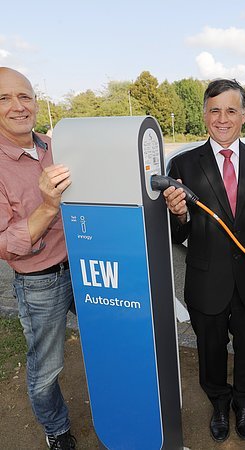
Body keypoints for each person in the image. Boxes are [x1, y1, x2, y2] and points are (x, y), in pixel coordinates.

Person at [163, 79, 245, 442]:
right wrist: (177, 216)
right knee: (210, 350)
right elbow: (176, 235)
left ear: (244, 116)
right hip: (207, 281)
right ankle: (219, 402)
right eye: (215, 110)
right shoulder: (184, 164)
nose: (223, 119)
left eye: (231, 110)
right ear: (205, 114)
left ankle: (244, 402)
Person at [0, 67, 76, 450]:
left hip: (84, 268)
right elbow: (5, 244)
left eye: (25, 96)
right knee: (47, 369)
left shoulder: (54, 145)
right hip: (40, 281)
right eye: (4, 98)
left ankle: (123, 405)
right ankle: (57, 429)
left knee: (116, 335)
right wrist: (48, 207)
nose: (18, 106)